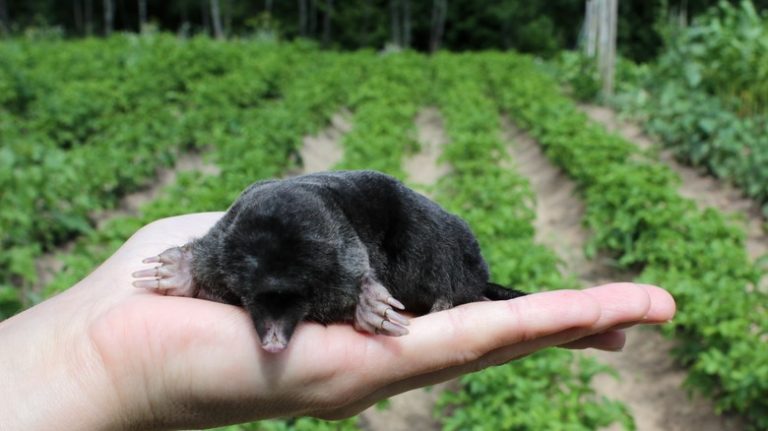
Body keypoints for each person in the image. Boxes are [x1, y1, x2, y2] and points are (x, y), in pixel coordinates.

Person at [0, 213, 675, 430]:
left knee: (457, 283)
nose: (272, 340)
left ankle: (449, 289)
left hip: (411, 242)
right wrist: (101, 348)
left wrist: (360, 293)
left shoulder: (343, 256)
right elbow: (213, 255)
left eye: (280, 318)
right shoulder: (228, 246)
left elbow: (352, 258)